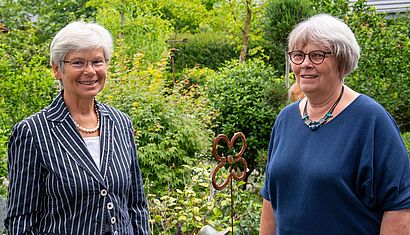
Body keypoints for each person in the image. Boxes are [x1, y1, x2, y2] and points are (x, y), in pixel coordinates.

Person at [260, 14, 410, 234]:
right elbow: (270, 199)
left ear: (342, 61)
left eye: (317, 55)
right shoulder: (286, 119)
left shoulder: (371, 121)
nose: (305, 64)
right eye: (298, 55)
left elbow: (399, 209)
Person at [5, 21, 149, 234]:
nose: (90, 71)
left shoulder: (121, 123)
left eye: (97, 62)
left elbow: (136, 206)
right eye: (78, 62)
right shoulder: (33, 132)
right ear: (57, 69)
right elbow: (21, 221)